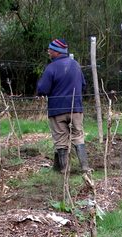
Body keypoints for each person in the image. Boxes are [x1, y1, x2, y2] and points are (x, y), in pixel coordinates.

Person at [36, 38, 89, 172]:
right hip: (76, 107)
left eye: (50, 49)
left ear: (57, 52)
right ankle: (84, 166)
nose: (48, 52)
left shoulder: (51, 67)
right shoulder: (75, 65)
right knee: (78, 135)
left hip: (57, 109)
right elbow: (83, 85)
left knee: (60, 138)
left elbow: (43, 89)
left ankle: (65, 169)